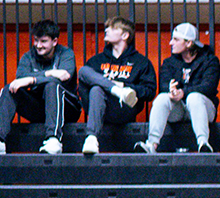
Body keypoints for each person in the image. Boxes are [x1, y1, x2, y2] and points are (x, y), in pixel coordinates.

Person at [77, 17, 154, 156]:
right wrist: (115, 87)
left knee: (97, 87)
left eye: (113, 28)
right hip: (97, 107)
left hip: (123, 109)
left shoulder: (141, 62)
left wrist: (124, 85)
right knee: (86, 76)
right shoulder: (97, 60)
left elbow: (149, 91)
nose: (106, 30)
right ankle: (92, 138)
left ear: (125, 35)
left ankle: (92, 136)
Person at [2, 20, 78, 155]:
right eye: (36, 40)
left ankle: (53, 139)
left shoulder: (66, 54)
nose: (38, 45)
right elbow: (20, 78)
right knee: (9, 89)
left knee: (52, 85)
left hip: (67, 109)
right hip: (40, 108)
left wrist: (32, 79)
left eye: (43, 41)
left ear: (54, 42)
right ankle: (0, 140)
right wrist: (49, 73)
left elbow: (65, 75)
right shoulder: (28, 56)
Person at [140, 23, 218, 154]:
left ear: (188, 43)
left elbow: (208, 87)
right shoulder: (169, 62)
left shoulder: (209, 60)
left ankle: (203, 144)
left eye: (176, 39)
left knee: (194, 97)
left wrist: (183, 92)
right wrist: (171, 91)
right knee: (162, 98)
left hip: (203, 109)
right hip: (179, 110)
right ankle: (151, 145)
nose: (171, 43)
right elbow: (164, 85)